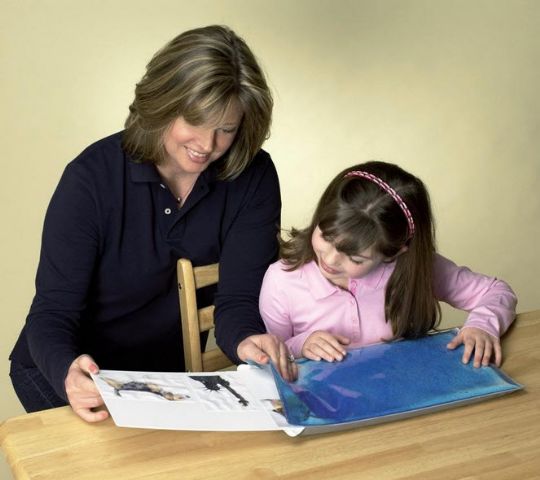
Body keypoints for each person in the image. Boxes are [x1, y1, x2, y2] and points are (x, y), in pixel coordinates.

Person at [9, 25, 296, 422]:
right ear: (164, 103)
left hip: (163, 379)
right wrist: (68, 373)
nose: (207, 144)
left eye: (226, 129)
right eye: (195, 121)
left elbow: (237, 302)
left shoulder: (253, 176)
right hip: (66, 368)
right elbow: (51, 314)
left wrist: (247, 342)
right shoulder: (90, 180)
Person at [259, 161, 517, 366]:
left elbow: (497, 292)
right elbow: (272, 355)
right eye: (326, 237)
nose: (329, 259)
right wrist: (302, 344)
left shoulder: (415, 269)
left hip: (405, 397)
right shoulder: (282, 281)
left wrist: (482, 326)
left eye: (356, 258)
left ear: (393, 252)